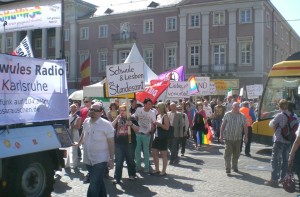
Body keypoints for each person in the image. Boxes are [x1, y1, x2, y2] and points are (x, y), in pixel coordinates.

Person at [77, 102, 115, 197]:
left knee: (93, 183)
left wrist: (111, 159)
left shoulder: (106, 125)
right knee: (98, 181)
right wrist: (78, 143)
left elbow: (111, 143)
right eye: (91, 109)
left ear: (101, 112)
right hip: (88, 158)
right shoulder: (86, 121)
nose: (92, 111)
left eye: (95, 110)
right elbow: (83, 133)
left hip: (100, 159)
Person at [264, 99, 292, 187]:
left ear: (279, 106)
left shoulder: (280, 115)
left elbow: (271, 125)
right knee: (285, 160)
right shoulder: (292, 115)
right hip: (288, 141)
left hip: (279, 140)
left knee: (275, 160)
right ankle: (283, 178)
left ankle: (274, 179)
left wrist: (274, 123)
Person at [111, 104, 139, 184]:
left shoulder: (132, 119)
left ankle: (132, 174)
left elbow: (137, 130)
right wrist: (116, 120)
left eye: (124, 110)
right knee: (119, 161)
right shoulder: (118, 119)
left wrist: (131, 124)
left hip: (130, 143)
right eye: (121, 110)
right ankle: (117, 177)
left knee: (130, 159)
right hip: (119, 143)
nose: (122, 112)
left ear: (127, 111)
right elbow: (111, 127)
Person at [219, 102, 248, 174]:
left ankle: (234, 166)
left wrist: (246, 136)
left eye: (238, 106)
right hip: (228, 138)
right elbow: (223, 125)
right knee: (227, 153)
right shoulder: (227, 114)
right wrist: (221, 135)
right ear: (232, 107)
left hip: (238, 138)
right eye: (235, 106)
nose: (237, 108)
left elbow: (245, 127)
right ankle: (228, 168)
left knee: (236, 154)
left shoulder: (242, 116)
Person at [133, 98, 156, 173]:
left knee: (146, 151)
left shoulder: (152, 112)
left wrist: (151, 131)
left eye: (151, 104)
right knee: (137, 151)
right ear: (145, 104)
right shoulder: (139, 109)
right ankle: (138, 166)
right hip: (138, 133)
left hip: (147, 134)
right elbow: (134, 117)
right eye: (148, 104)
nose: (150, 105)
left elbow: (154, 123)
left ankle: (147, 167)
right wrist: (136, 127)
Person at [151, 102, 170, 176]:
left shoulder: (165, 116)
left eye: (157, 108)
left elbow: (167, 127)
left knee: (163, 154)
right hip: (157, 137)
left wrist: (159, 124)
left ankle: (163, 171)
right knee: (154, 152)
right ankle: (157, 169)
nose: (156, 109)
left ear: (161, 108)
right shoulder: (158, 116)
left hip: (163, 138)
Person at [65, 104, 82, 168]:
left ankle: (74, 164)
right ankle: (67, 164)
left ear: (76, 109)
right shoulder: (68, 116)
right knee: (67, 149)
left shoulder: (78, 118)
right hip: (68, 133)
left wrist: (71, 125)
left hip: (75, 134)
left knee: (74, 149)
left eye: (74, 108)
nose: (72, 109)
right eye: (71, 108)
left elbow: (78, 127)